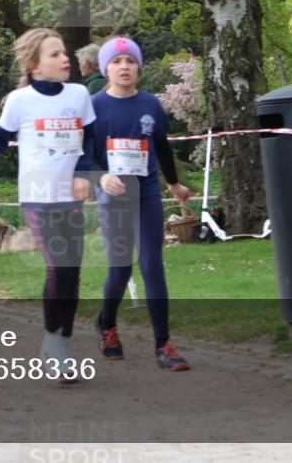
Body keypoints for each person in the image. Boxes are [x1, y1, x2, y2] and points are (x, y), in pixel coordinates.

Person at [0, 28, 95, 383]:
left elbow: (92, 138)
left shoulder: (80, 95)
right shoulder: (20, 102)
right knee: (59, 269)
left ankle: (61, 342)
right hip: (39, 196)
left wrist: (84, 172)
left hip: (71, 196)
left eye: (64, 53)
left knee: (73, 273)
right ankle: (55, 344)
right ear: (34, 66)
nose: (64, 58)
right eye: (54, 55)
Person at [89, 36, 192, 371]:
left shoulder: (150, 104)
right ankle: (106, 324)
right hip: (113, 194)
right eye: (117, 62)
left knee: (151, 263)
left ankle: (163, 344)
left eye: (130, 61)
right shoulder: (94, 107)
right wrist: (101, 177)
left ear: (139, 67)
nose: (124, 67)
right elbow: (82, 155)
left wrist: (174, 183)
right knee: (120, 268)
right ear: (106, 68)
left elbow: (161, 146)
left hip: (146, 191)